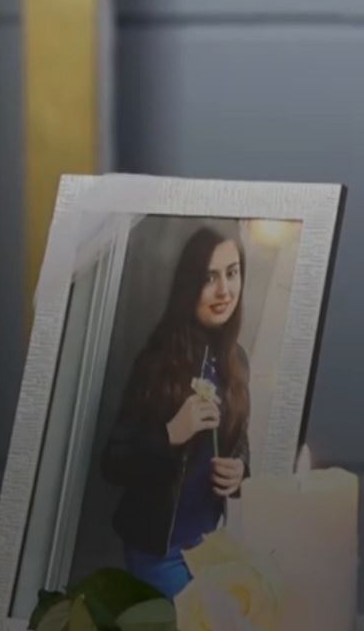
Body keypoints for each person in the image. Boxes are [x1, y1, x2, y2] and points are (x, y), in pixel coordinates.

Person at [101, 225, 251, 598]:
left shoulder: (238, 361)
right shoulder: (156, 362)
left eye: (232, 273)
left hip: (212, 548)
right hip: (159, 552)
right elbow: (113, 463)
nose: (224, 291)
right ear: (189, 286)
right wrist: (170, 434)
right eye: (209, 278)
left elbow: (239, 443)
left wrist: (240, 471)